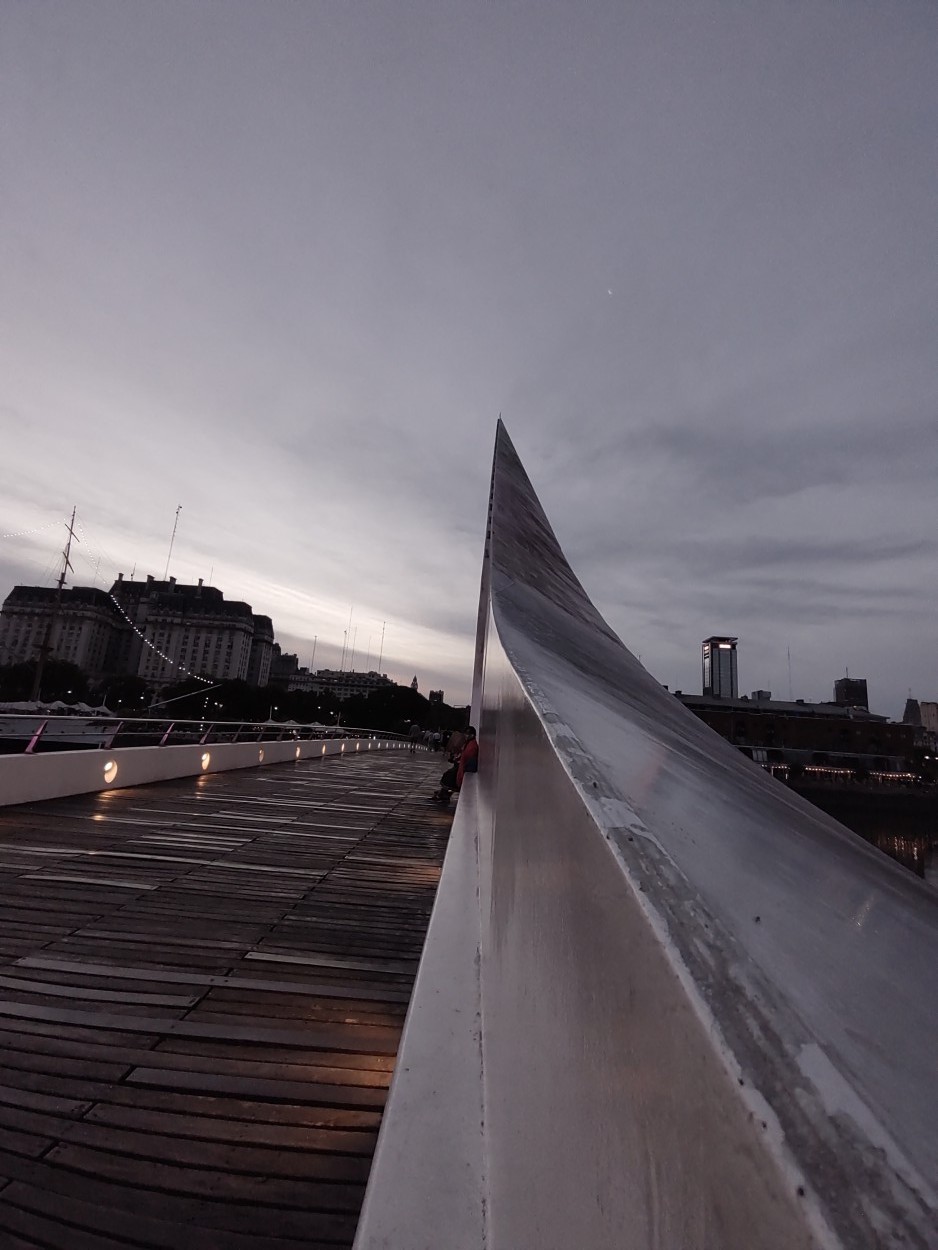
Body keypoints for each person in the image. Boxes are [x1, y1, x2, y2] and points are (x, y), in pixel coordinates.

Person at [430, 726, 478, 803]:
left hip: (462, 769)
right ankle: (443, 794)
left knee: (450, 778)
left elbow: (468, 758)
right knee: (449, 776)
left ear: (472, 735)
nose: (465, 735)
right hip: (460, 767)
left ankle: (444, 795)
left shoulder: (472, 746)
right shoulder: (469, 744)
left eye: (467, 734)